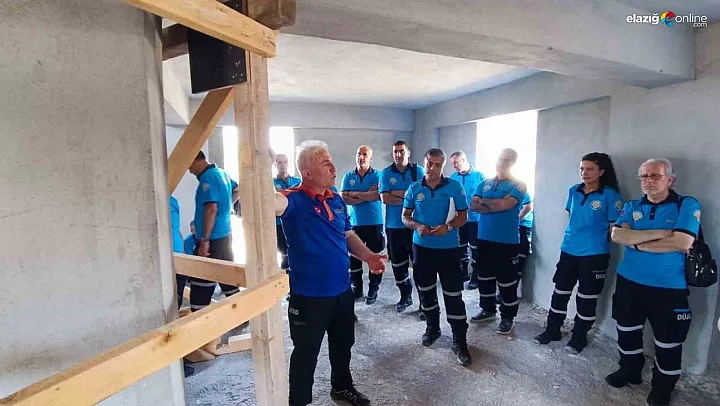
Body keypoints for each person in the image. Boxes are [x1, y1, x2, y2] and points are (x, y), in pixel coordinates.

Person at [275, 140, 387, 406]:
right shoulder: (293, 200)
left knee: (343, 344)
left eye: (331, 161)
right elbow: (267, 203)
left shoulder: (335, 198)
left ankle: (341, 387)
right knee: (306, 354)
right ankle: (299, 402)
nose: (334, 168)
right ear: (307, 172)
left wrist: (369, 256)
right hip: (309, 296)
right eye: (326, 163)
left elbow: (348, 235)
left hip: (341, 291)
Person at [606, 158, 699, 406]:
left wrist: (636, 241)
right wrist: (661, 234)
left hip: (669, 288)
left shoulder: (686, 205)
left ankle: (662, 388)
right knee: (627, 331)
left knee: (668, 342)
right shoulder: (632, 205)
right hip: (629, 282)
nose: (649, 180)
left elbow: (682, 242)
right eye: (644, 176)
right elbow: (617, 234)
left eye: (655, 175)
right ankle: (630, 370)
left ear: (670, 179)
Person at [533, 152, 622, 353]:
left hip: (594, 254)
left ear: (601, 171)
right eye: (582, 168)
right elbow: (572, 217)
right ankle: (553, 329)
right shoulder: (574, 190)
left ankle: (579, 336)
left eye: (590, 169)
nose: (584, 172)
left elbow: (613, 229)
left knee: (586, 297)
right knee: (560, 291)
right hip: (569, 250)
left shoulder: (610, 196)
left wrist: (594, 243)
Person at [402, 148, 472, 366]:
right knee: (426, 291)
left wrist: (448, 227)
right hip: (422, 249)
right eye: (429, 164)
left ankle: (460, 340)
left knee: (453, 294)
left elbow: (463, 215)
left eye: (437, 165)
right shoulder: (414, 188)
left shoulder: (454, 187)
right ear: (424, 163)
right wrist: (417, 225)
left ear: (443, 166)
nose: (432, 168)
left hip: (449, 249)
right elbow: (405, 216)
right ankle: (433, 328)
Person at [469, 148, 528, 335]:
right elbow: (473, 205)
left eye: (508, 160)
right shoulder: (484, 183)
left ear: (514, 163)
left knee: (507, 281)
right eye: (501, 159)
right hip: (484, 239)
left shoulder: (519, 185)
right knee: (484, 277)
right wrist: (497, 204)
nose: (503, 162)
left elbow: (506, 204)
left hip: (507, 242)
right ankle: (487, 310)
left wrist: (486, 203)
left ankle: (508, 317)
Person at [188, 151, 241, 311]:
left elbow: (211, 209)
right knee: (227, 280)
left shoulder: (208, 178)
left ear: (196, 160)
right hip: (223, 236)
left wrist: (204, 240)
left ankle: (199, 316)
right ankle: (243, 315)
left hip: (212, 239)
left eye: (189, 165)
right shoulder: (221, 173)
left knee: (202, 283)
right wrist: (225, 208)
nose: (189, 171)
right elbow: (237, 189)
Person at [379, 140, 425, 315]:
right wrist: (409, 196)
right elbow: (385, 198)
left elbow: (422, 195)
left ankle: (424, 302)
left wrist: (396, 193)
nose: (398, 155)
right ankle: (405, 296)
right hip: (394, 226)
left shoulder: (418, 171)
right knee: (398, 264)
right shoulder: (386, 173)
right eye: (395, 152)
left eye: (401, 151)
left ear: (408, 152)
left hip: (414, 225)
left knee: (420, 264)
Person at [341, 145, 385, 304]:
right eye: (359, 154)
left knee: (375, 257)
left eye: (365, 154)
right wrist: (366, 194)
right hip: (353, 224)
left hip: (374, 223)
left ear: (370, 158)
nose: (361, 157)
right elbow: (344, 198)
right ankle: (357, 289)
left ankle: (373, 289)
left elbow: (377, 196)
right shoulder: (348, 176)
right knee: (354, 259)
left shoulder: (378, 175)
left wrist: (354, 194)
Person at [449, 151, 486, 289]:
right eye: (452, 163)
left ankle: (475, 276)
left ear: (464, 160)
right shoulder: (453, 177)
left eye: (456, 162)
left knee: (475, 248)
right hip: (459, 218)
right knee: (461, 246)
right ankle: (463, 273)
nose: (454, 166)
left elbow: (484, 196)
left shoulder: (479, 176)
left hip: (475, 219)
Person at [169, 196, 195, 378]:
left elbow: (175, 229)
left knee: (174, 312)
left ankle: (178, 359)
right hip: (167, 263)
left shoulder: (172, 200)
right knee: (170, 315)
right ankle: (175, 361)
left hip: (178, 261)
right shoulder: (154, 199)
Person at [273, 153, 302, 270]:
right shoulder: (271, 183)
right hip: (279, 224)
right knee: (284, 254)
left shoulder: (298, 181)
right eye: (279, 162)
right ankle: (286, 279)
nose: (282, 165)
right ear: (275, 165)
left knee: (298, 252)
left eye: (285, 162)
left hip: (296, 222)